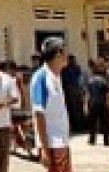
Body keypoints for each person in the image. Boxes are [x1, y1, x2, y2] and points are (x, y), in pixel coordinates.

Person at [30, 36, 71, 172]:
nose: (68, 55)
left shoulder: (56, 77)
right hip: (52, 145)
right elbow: (39, 114)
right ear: (58, 54)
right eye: (65, 51)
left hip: (61, 142)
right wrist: (45, 149)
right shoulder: (41, 77)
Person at [85, 59, 109, 146]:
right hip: (102, 103)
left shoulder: (90, 80)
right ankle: (106, 141)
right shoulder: (104, 80)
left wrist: (85, 105)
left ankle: (92, 140)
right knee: (105, 123)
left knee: (92, 123)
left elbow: (88, 94)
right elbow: (107, 93)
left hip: (93, 103)